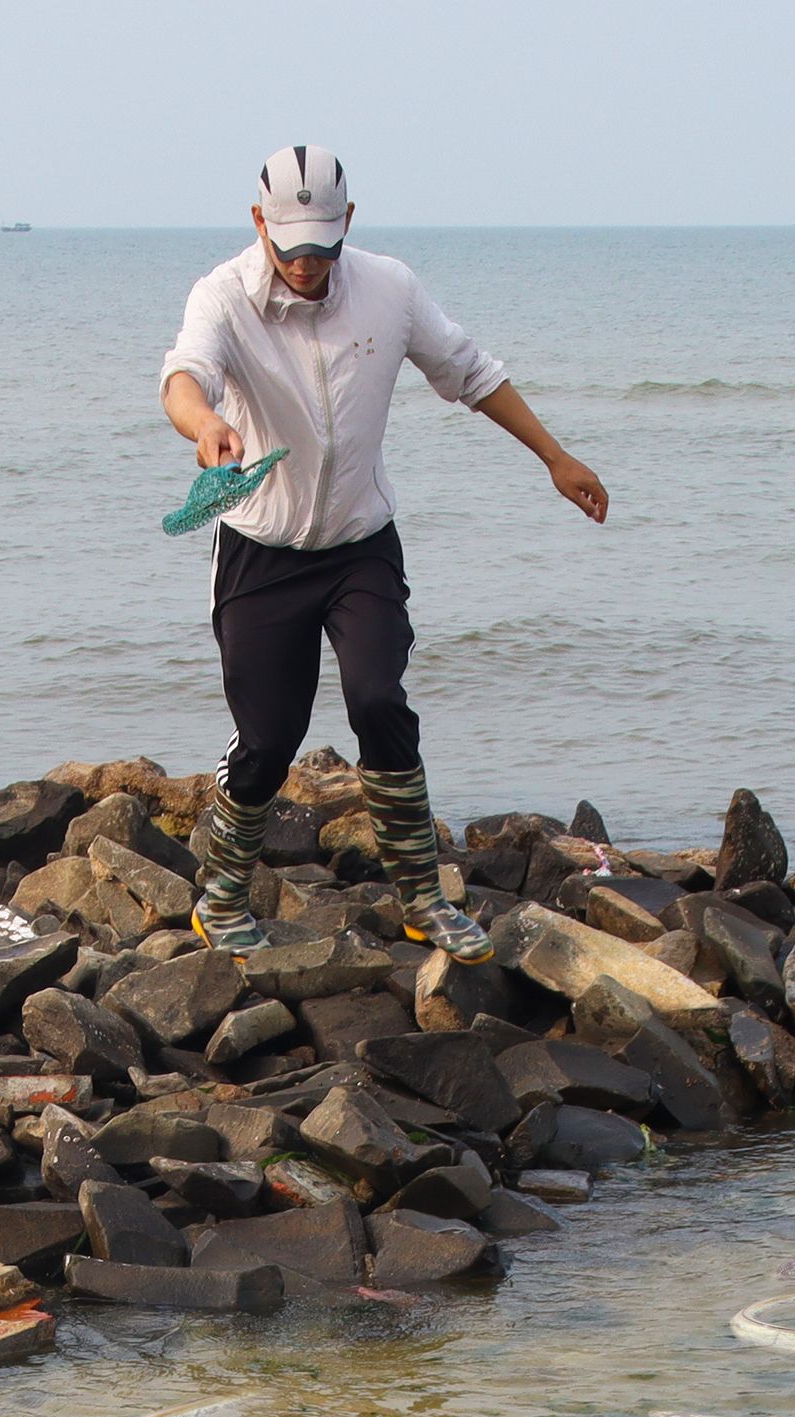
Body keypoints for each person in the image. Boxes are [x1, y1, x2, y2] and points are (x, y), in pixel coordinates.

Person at [158, 144, 608, 964]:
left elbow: (469, 372)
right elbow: (184, 377)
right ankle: (220, 895)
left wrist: (555, 456)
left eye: (322, 248)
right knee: (268, 738)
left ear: (348, 226)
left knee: (378, 700)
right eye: (289, 246)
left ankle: (423, 899)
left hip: (361, 546)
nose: (306, 264)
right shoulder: (222, 296)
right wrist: (205, 426)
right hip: (262, 551)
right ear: (259, 222)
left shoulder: (389, 289)